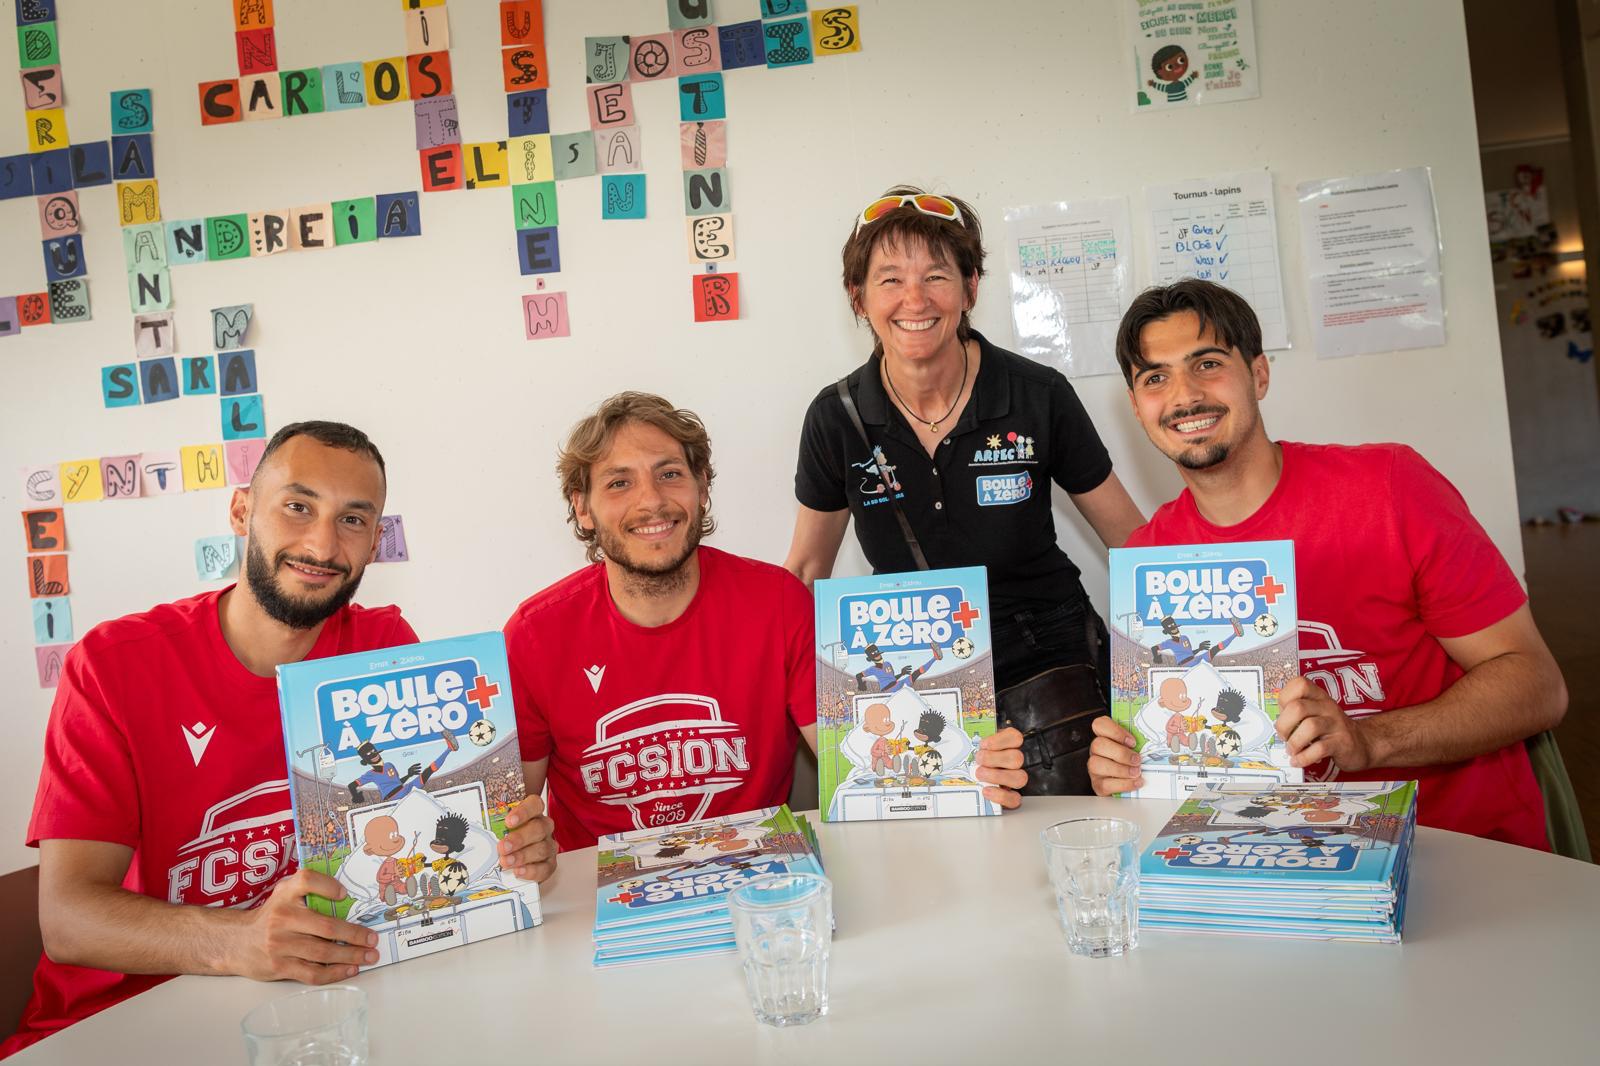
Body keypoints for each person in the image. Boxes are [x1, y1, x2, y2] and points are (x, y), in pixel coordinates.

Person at [4, 421, 559, 1056]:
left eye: (353, 520)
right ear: (242, 509)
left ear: (375, 543)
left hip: (314, 1007)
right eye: (298, 506)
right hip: (118, 1025)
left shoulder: (385, 651)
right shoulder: (113, 665)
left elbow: (424, 844)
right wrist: (240, 940)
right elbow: (70, 921)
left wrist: (508, 852)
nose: (321, 544)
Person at [1086, 280, 1568, 849]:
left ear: (1259, 375)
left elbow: (1538, 686)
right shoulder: (1147, 561)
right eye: (1155, 378)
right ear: (1138, 406)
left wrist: (1369, 740)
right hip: (1280, 859)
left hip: (1462, 848)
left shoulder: (1388, 488)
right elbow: (1189, 746)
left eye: (1208, 363)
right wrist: (1127, 770)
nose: (1184, 396)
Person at [505, 392, 1030, 851]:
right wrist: (523, 844)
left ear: (702, 487)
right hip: (600, 904)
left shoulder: (778, 603)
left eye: (670, 474)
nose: (651, 501)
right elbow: (514, 821)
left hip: (758, 889)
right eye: (619, 483)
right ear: (584, 508)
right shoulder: (534, 636)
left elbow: (870, 764)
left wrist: (965, 771)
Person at [784, 187, 1143, 788]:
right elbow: (804, 573)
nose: (915, 300)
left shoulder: (1038, 394)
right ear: (859, 297)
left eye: (937, 276)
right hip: (911, 671)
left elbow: (1134, 543)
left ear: (971, 287)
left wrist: (1164, 685)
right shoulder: (835, 417)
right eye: (890, 279)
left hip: (1049, 661)